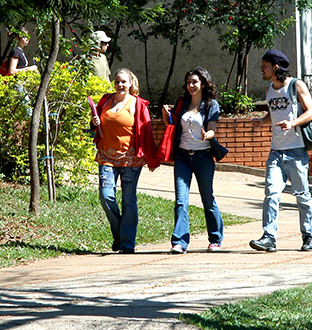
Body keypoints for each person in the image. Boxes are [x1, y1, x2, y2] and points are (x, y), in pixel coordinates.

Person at [249, 49, 312, 253]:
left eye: (264, 65)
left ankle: (308, 236)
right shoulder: (269, 88)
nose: (261, 68)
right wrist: (262, 121)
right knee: (271, 193)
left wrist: (293, 123)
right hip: (276, 152)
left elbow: (311, 112)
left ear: (275, 67)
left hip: (296, 151)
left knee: (302, 195)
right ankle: (269, 237)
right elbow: (274, 112)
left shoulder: (296, 85)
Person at [91, 68, 159, 253]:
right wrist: (94, 122)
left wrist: (150, 157)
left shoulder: (137, 104)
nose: (120, 85)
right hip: (106, 156)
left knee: (128, 200)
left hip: (130, 159)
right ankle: (120, 234)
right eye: (117, 81)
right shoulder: (106, 100)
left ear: (130, 84)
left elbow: (146, 131)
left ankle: (127, 244)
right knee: (106, 196)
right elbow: (95, 123)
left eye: (123, 82)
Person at [162, 67, 224, 254]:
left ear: (203, 83)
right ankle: (180, 241)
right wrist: (166, 114)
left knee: (207, 198)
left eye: (195, 82)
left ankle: (215, 238)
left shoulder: (211, 105)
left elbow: (213, 127)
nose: (191, 85)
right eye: (189, 82)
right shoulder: (182, 102)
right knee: (181, 200)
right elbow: (172, 124)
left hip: (203, 157)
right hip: (182, 157)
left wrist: (208, 135)